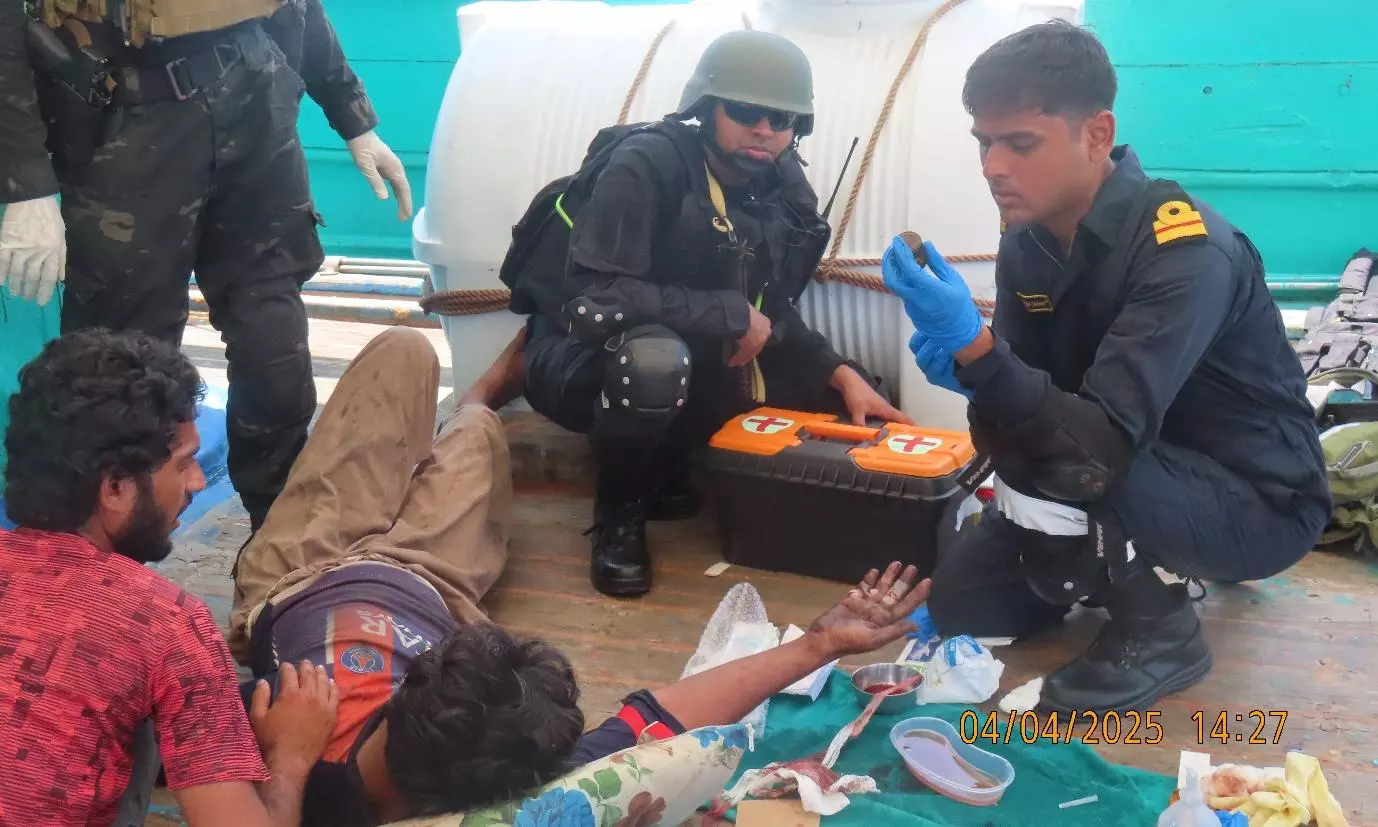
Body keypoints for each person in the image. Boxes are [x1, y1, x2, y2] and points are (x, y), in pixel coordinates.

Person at [226, 325, 931, 825]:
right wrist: (819, 644)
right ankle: (475, 404)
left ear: (412, 690)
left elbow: (190, 719)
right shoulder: (519, 766)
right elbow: (668, 709)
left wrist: (287, 757)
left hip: (306, 571)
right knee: (478, 433)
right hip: (437, 580)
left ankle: (471, 403)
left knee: (404, 351)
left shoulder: (300, 758)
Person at [881, 21, 1328, 713]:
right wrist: (974, 371)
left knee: (1076, 460)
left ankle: (1162, 633)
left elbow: (1094, 448)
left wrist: (980, 352)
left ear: (1096, 134)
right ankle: (1095, 565)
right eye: (984, 143)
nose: (993, 166)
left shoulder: (1184, 250)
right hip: (1123, 464)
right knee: (966, 602)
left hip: (1255, 501)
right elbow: (1027, 410)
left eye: (1020, 143)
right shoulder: (1027, 244)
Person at [512, 29, 909, 597]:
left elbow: (772, 313)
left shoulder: (781, 188)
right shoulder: (646, 163)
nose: (764, 129)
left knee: (841, 405)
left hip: (696, 354)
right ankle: (620, 516)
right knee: (653, 361)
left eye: (782, 118)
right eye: (745, 111)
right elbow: (595, 300)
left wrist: (840, 372)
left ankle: (673, 463)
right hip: (584, 360)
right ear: (707, 107)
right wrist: (728, 312)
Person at [0, 0, 412, 531]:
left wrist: (352, 116)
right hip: (125, 120)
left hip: (256, 104)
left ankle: (280, 544)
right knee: (118, 371)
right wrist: (26, 186)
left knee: (274, 345)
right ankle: (100, 563)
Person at [0, 328, 340, 827]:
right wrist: (289, 754)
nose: (198, 481)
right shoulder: (165, 622)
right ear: (115, 487)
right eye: (183, 465)